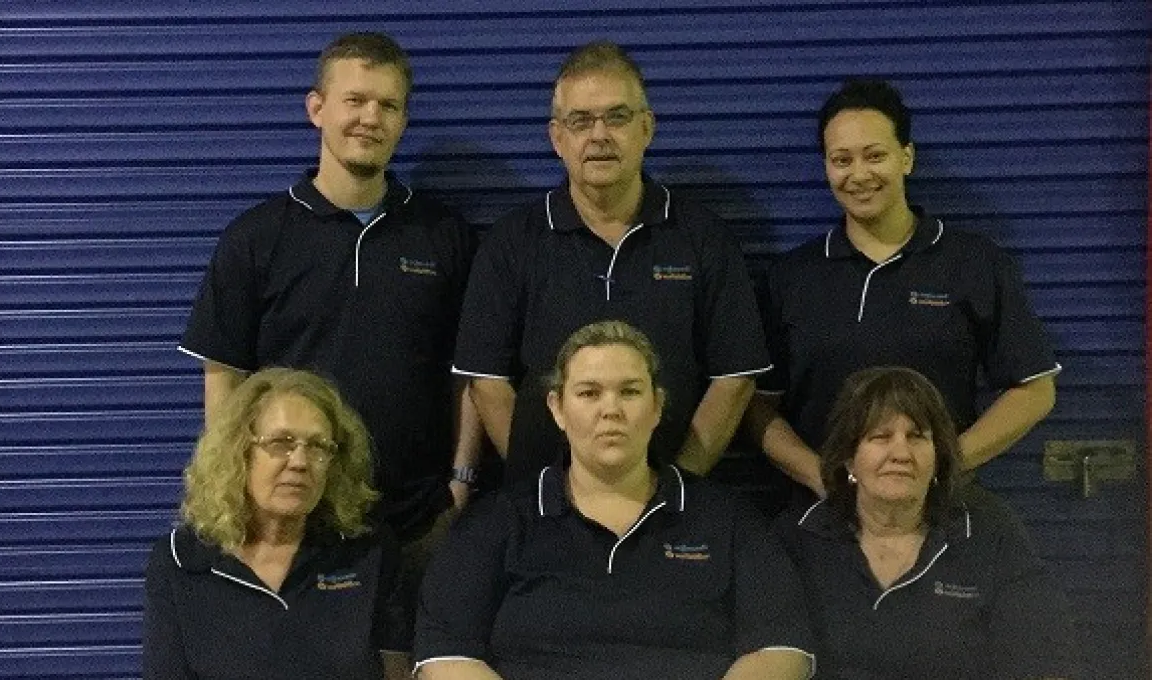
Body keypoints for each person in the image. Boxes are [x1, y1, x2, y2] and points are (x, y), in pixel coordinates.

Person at [178, 32, 481, 543]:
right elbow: (225, 379)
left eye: (388, 105)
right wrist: (234, 494)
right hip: (293, 525)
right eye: (355, 100)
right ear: (316, 108)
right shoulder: (256, 238)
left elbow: (469, 376)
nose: (370, 118)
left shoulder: (444, 236)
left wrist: (461, 482)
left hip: (415, 522)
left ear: (403, 122)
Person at [415, 320, 815, 680]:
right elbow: (446, 655)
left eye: (630, 392)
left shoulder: (728, 519)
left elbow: (782, 651)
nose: (611, 410)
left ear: (656, 406)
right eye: (589, 393)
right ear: (557, 408)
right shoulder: (495, 522)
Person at [453, 41, 769, 485]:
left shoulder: (703, 238)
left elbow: (734, 380)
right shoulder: (511, 243)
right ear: (557, 138)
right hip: (546, 517)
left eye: (616, 117)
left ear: (647, 128)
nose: (599, 135)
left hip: (671, 511)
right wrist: (543, 487)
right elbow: (487, 381)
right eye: (580, 121)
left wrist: (677, 486)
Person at [745, 78, 1060, 504]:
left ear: (907, 157)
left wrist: (942, 467)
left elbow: (1035, 390)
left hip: (940, 514)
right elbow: (755, 405)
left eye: (875, 156)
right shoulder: (790, 277)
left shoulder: (974, 262)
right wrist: (821, 477)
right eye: (841, 160)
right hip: (820, 518)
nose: (858, 175)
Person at [772, 366, 1078, 679]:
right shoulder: (798, 538)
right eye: (881, 437)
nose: (900, 453)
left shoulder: (988, 530)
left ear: (937, 458)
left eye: (917, 437)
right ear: (850, 458)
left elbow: (1045, 658)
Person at [142, 368, 411, 679]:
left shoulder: (368, 553)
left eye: (318, 447)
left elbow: (397, 673)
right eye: (281, 443)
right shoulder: (181, 561)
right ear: (240, 452)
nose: (299, 462)